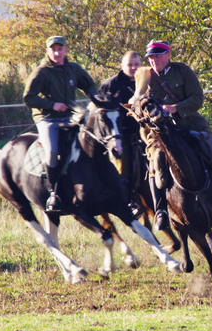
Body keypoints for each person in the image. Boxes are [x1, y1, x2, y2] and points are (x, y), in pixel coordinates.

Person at [140, 40, 212, 230]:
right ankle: (161, 211)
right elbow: (139, 102)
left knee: (211, 149)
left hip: (189, 124)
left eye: (157, 56)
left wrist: (175, 108)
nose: (153, 60)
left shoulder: (182, 71)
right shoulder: (145, 77)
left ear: (168, 55)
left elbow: (198, 98)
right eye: (151, 57)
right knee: (154, 162)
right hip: (162, 134)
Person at [23, 35, 104, 214]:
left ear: (66, 50)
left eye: (60, 49)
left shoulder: (73, 69)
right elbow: (28, 98)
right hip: (47, 119)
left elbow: (89, 85)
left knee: (94, 140)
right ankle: (53, 193)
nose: (57, 53)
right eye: (53, 49)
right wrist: (52, 105)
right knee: (52, 151)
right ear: (47, 51)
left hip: (70, 116)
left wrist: (96, 100)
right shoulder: (41, 72)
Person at [98, 51, 144, 218]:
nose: (133, 68)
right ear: (122, 66)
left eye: (136, 65)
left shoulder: (146, 81)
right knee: (124, 167)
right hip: (120, 134)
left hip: (144, 132)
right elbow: (101, 112)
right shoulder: (110, 85)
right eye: (129, 65)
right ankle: (128, 201)